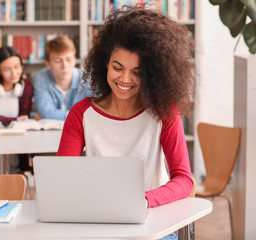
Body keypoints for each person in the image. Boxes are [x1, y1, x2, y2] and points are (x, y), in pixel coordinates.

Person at [57, 5, 195, 239]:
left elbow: (185, 180)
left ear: (153, 74)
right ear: (105, 64)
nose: (125, 79)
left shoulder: (164, 114)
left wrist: (144, 200)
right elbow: (61, 179)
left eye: (137, 72)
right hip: (97, 225)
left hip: (152, 226)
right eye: (117, 67)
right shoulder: (81, 114)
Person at [32, 35, 91, 120]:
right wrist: (79, 116)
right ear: (48, 64)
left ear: (74, 60)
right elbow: (46, 113)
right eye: (58, 61)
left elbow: (94, 113)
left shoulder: (87, 80)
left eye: (69, 59)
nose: (64, 66)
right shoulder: (40, 78)